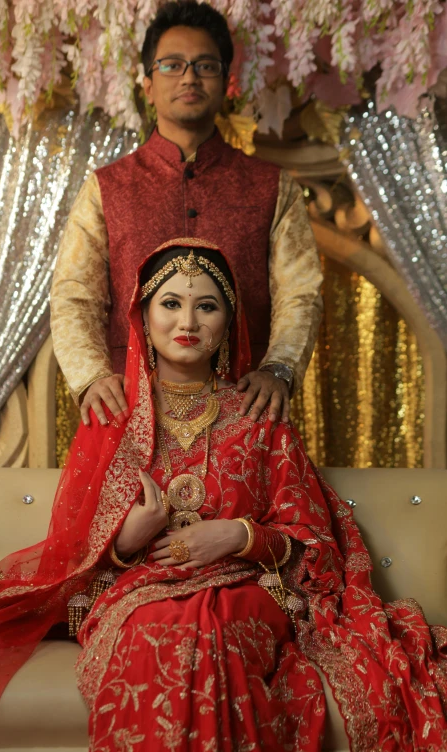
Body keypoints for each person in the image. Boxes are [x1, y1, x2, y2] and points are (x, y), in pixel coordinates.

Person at [0, 239, 446, 752]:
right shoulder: (115, 419)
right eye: (170, 303)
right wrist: (128, 540)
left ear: (228, 321)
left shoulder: (258, 416)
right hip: (138, 593)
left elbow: (312, 541)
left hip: (246, 591)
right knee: (167, 630)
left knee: (212, 629)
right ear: (143, 317)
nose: (188, 320)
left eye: (207, 305)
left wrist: (236, 536)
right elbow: (78, 552)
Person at [50, 0, 323, 434]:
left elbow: (300, 293)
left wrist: (280, 370)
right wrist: (92, 378)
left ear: (226, 82)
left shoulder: (271, 186)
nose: (190, 77)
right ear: (147, 82)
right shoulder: (106, 187)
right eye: (173, 64)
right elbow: (74, 296)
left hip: (246, 413)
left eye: (205, 66)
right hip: (128, 412)